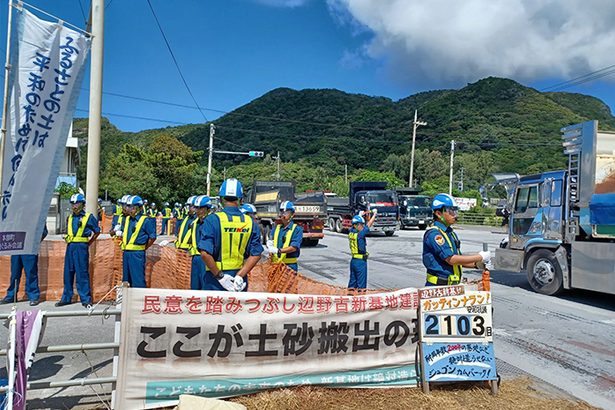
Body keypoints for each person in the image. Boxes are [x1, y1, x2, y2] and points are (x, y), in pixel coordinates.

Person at [198, 178, 263, 292]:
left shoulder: (212, 220)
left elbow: (205, 254)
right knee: (236, 309)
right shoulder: (249, 222)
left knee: (215, 309)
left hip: (214, 278)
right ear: (240, 199)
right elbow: (256, 254)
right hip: (239, 279)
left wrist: (220, 276)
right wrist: (239, 275)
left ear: (221, 198)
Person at [422, 193, 491, 286]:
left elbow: (459, 260)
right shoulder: (434, 234)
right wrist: (480, 257)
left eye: (455, 211)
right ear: (438, 213)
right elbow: (451, 260)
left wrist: (478, 264)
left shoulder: (450, 233)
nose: (454, 215)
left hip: (451, 286)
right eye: (450, 211)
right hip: (437, 287)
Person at [56, 194, 100, 308]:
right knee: (68, 273)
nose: (74, 206)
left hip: (81, 247)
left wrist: (89, 242)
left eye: (77, 204)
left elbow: (97, 231)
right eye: (73, 204)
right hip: (70, 247)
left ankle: (85, 299)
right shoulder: (69, 217)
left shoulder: (88, 217)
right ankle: (66, 298)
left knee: (82, 273)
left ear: (82, 204)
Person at [0, 225, 48, 306]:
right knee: (15, 273)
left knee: (31, 273)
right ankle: (11, 295)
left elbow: (43, 231)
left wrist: (34, 241)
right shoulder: (18, 215)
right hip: (17, 246)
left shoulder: (36, 214)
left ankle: (33, 296)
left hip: (29, 248)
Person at [120, 195, 156, 287]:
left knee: (138, 279)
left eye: (131, 207)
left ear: (139, 208)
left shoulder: (145, 220)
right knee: (126, 280)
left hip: (137, 253)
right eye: (127, 206)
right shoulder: (127, 219)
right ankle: (127, 300)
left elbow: (152, 237)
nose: (128, 209)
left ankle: (138, 300)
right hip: (126, 252)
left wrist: (144, 247)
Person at [267, 201, 303, 272]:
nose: (283, 214)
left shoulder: (296, 230)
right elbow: (271, 238)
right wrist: (269, 243)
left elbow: (294, 247)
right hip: (275, 265)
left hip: (289, 266)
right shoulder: (277, 228)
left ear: (292, 214)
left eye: (286, 212)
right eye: (282, 212)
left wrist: (279, 251)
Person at [187, 195, 214, 290]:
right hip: (195, 259)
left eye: (201, 208)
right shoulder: (194, 223)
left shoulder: (212, 223)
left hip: (207, 259)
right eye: (196, 208)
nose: (197, 211)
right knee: (194, 286)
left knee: (205, 286)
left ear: (208, 209)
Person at [347, 210, 377, 289]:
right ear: (357, 225)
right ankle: (361, 299)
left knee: (352, 283)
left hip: (353, 261)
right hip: (360, 262)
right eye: (361, 224)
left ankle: (350, 298)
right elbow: (369, 225)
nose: (363, 226)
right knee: (361, 284)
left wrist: (360, 215)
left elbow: (355, 223)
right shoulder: (360, 234)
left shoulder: (351, 233)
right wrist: (374, 214)